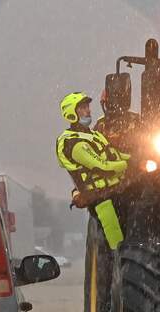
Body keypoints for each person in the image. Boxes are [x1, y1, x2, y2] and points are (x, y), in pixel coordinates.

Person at [56, 92, 130, 249]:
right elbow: (102, 167)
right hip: (102, 199)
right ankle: (118, 269)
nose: (88, 111)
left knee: (127, 238)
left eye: (87, 107)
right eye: (82, 108)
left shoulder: (95, 135)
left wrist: (138, 157)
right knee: (117, 245)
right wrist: (127, 165)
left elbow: (116, 155)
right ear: (71, 114)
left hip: (118, 192)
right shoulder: (73, 142)